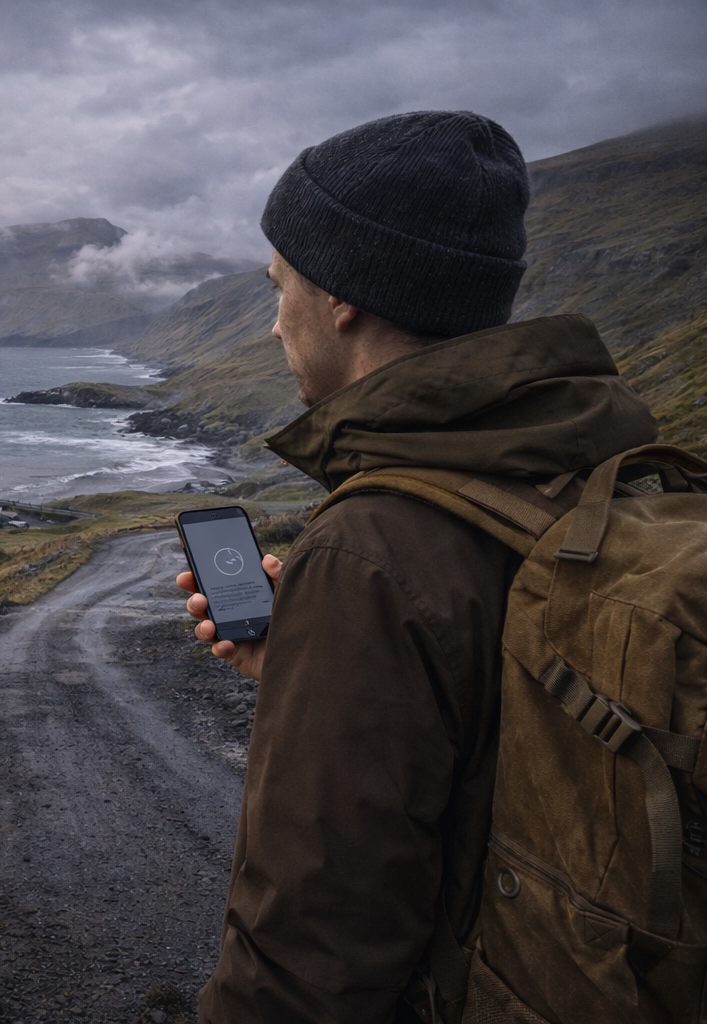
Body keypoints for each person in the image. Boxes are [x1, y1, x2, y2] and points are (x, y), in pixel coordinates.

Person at [179, 111, 656, 1022]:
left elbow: (313, 949)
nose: (274, 323)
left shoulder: (371, 549)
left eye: (280, 287)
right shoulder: (596, 461)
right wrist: (305, 670)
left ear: (341, 299)